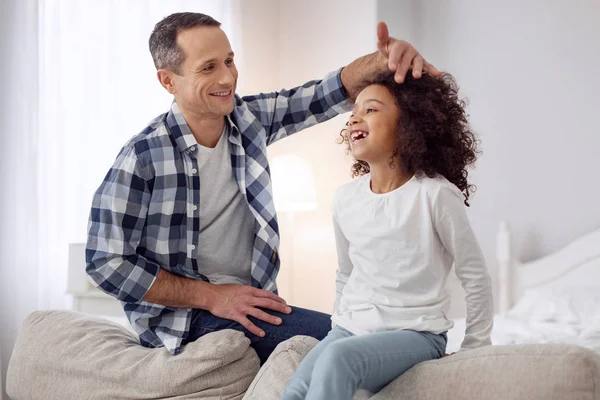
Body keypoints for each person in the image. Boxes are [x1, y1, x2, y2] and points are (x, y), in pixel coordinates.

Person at [85, 12, 440, 363]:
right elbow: (104, 262)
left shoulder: (246, 120)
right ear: (168, 81)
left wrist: (383, 60)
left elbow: (324, 93)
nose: (227, 77)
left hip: (250, 303)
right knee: (348, 351)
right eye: (208, 67)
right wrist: (211, 296)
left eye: (229, 61)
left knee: (363, 341)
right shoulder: (143, 156)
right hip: (183, 319)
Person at [281, 71, 494, 399]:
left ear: (408, 123)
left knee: (338, 359)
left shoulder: (435, 195)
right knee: (295, 390)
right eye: (353, 113)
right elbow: (346, 275)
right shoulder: (345, 198)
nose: (354, 120)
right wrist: (339, 327)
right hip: (350, 330)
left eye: (371, 109)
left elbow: (475, 277)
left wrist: (474, 349)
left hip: (418, 335)